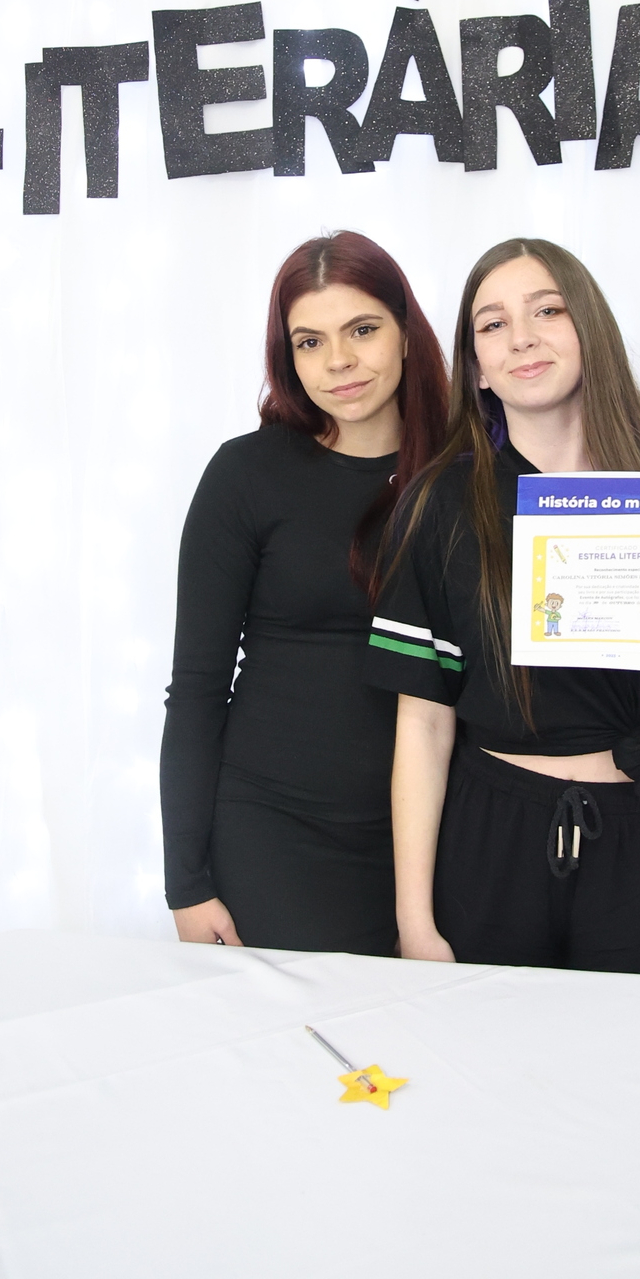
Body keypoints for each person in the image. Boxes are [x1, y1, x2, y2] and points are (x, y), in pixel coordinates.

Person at [368, 237, 640, 976]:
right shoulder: (441, 504)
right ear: (477, 367)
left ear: (590, 328)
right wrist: (414, 920)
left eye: (547, 310)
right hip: (493, 839)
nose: (521, 337)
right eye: (493, 324)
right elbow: (422, 724)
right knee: (487, 1046)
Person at [160, 231, 449, 954]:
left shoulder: (465, 474)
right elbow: (196, 690)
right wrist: (185, 883)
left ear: (406, 333)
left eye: (362, 330)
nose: (338, 361)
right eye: (310, 342)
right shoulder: (245, 476)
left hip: (439, 833)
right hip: (275, 831)